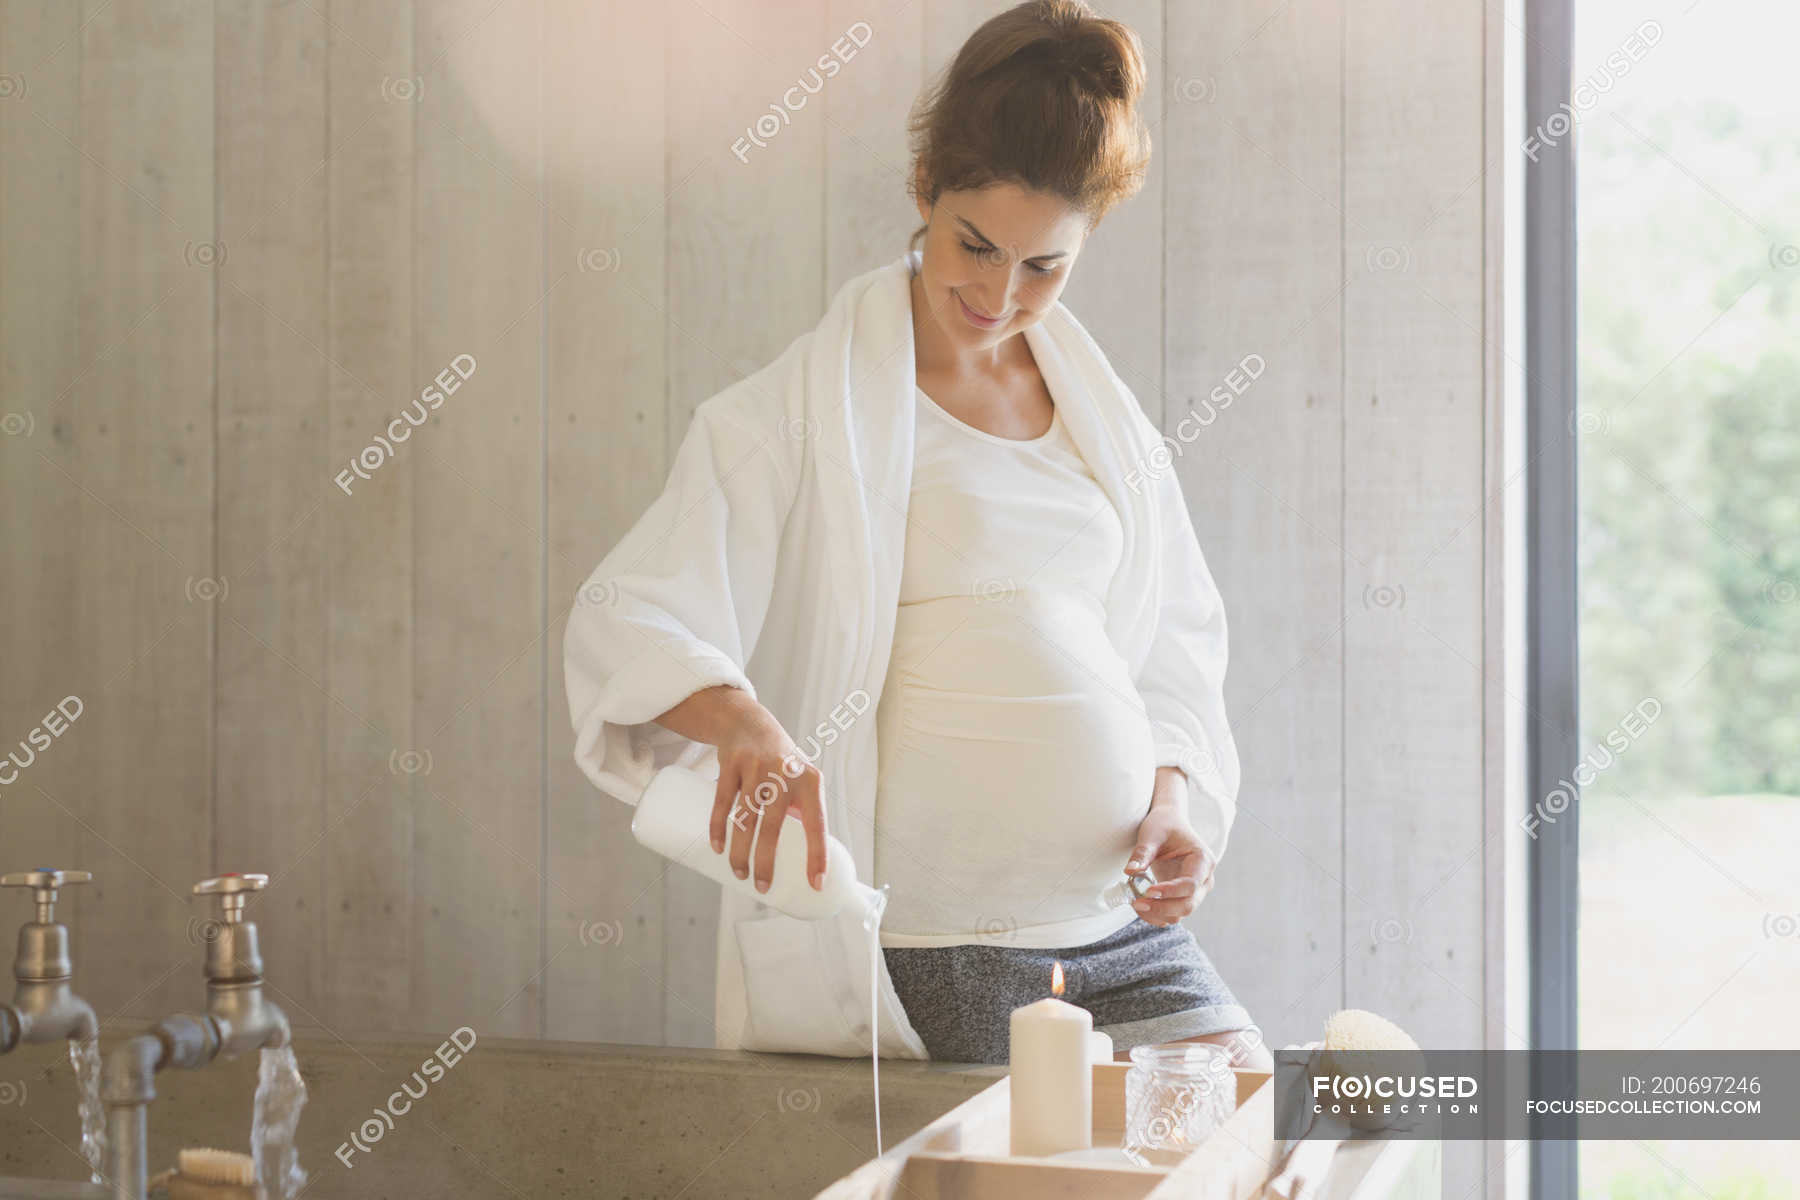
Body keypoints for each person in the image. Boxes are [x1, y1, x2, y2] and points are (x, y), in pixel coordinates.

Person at [566, 0, 1270, 1070]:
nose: (998, 293)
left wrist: (1173, 798)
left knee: (1248, 1133)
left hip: (1120, 935)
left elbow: (1175, 646)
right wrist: (743, 719)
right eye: (974, 246)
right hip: (938, 948)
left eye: (1045, 266)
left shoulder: (1105, 425)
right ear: (923, 192)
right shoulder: (802, 414)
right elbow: (630, 613)